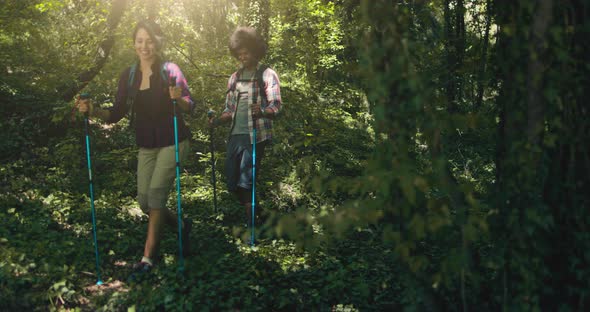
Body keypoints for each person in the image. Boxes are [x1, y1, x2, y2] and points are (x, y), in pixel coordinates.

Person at [76, 20, 194, 273]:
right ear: (134, 44)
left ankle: (148, 258)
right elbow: (116, 113)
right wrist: (92, 110)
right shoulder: (129, 75)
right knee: (143, 200)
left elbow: (189, 104)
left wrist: (179, 99)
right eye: (140, 41)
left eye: (149, 40)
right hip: (147, 143)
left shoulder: (170, 69)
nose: (145, 46)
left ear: (158, 42)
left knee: (156, 196)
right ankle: (181, 225)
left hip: (173, 140)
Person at [209, 26, 282, 235]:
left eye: (246, 52)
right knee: (233, 183)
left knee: (246, 182)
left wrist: (264, 110)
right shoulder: (234, 78)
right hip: (235, 135)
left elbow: (276, 105)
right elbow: (229, 110)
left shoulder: (267, 74)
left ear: (255, 50)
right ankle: (262, 213)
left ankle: (252, 229)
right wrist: (216, 121)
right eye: (239, 53)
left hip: (256, 136)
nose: (243, 56)